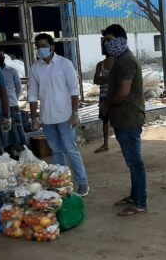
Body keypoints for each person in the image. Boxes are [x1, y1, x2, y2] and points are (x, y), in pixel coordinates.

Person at [28, 33, 90, 197]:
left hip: (65, 116)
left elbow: (74, 90)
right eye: (38, 46)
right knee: (56, 152)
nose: (41, 48)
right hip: (47, 118)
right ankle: (61, 184)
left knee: (71, 150)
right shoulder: (35, 68)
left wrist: (75, 113)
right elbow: (32, 94)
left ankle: (82, 182)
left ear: (52, 47)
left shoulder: (65, 64)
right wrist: (34, 117)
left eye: (43, 45)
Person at [99, 24, 148, 216]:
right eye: (105, 41)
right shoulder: (120, 60)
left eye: (110, 40)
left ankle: (140, 202)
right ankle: (134, 195)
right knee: (131, 161)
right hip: (123, 117)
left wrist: (107, 104)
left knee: (135, 162)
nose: (107, 44)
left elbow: (123, 92)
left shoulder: (126, 61)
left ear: (121, 40)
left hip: (129, 117)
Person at [0, 47, 27, 156]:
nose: (0, 57)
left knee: (19, 128)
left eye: (1, 55)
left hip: (12, 104)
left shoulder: (12, 71)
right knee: (3, 130)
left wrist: (12, 98)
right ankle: (6, 152)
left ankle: (25, 150)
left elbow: (18, 87)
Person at [92, 38, 115, 153]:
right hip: (104, 96)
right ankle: (106, 144)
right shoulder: (100, 65)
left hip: (115, 95)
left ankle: (121, 142)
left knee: (117, 119)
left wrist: (103, 79)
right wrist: (107, 79)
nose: (104, 49)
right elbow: (95, 80)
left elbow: (116, 80)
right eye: (103, 47)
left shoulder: (118, 62)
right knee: (105, 120)